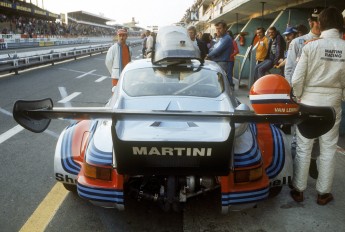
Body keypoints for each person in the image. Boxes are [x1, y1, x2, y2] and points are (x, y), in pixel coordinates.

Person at [290, 7, 345, 205]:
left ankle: (298, 190)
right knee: (328, 149)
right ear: (341, 25)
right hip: (332, 105)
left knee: (304, 147)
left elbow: (297, 79)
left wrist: (297, 97)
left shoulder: (310, 46)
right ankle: (323, 194)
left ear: (320, 24)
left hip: (308, 103)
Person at [285, 8, 323, 84]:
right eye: (318, 21)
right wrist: (291, 87)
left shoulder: (332, 43)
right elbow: (290, 67)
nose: (321, 24)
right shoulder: (297, 42)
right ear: (310, 22)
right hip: (303, 87)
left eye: (323, 21)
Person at [205, 20, 233, 85]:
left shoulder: (227, 38)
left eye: (220, 28)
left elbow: (217, 50)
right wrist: (210, 53)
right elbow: (212, 49)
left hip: (221, 63)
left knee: (220, 84)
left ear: (225, 28)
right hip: (217, 62)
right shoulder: (221, 38)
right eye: (216, 29)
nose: (217, 30)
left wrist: (208, 56)